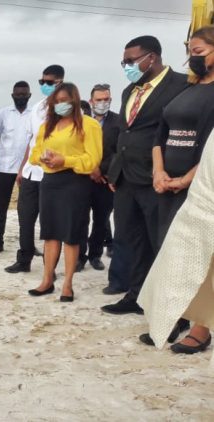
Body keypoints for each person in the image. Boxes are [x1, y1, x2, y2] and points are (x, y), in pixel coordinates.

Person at [138, 26, 214, 353]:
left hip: (200, 187)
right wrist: (159, 170)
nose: (192, 59)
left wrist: (185, 180)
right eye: (190, 53)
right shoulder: (187, 88)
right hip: (166, 183)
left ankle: (202, 326)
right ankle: (175, 316)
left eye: (198, 52)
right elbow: (160, 133)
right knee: (172, 254)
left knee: (202, 257)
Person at [102, 36, 188, 315]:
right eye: (124, 62)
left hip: (158, 177)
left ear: (152, 57)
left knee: (160, 240)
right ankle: (136, 295)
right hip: (126, 178)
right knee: (131, 238)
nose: (127, 66)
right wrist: (114, 172)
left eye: (131, 61)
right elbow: (125, 134)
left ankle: (167, 302)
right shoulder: (130, 91)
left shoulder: (181, 85)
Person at [26, 83, 102, 302]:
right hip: (50, 181)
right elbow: (35, 152)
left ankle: (67, 284)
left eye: (64, 101)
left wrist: (65, 160)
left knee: (70, 234)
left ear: (75, 100)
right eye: (56, 101)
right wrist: (42, 158)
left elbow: (92, 160)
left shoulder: (89, 125)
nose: (60, 105)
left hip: (75, 183)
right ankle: (47, 280)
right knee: (49, 233)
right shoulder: (48, 125)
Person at [5, 65, 65, 273]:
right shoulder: (38, 108)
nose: (45, 86)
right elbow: (31, 140)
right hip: (32, 171)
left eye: (50, 82)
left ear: (61, 82)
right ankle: (24, 259)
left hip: (54, 174)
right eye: (42, 82)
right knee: (25, 218)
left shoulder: (67, 108)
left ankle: (50, 268)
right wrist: (22, 168)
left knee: (51, 223)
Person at [76, 84, 121, 273]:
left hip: (105, 180)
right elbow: (76, 148)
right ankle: (80, 257)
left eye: (106, 99)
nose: (103, 103)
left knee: (101, 221)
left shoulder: (119, 121)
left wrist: (104, 172)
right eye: (99, 99)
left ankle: (95, 255)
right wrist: (90, 169)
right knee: (80, 220)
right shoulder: (80, 122)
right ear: (91, 101)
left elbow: (118, 151)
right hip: (83, 179)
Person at [0, 81, 32, 255]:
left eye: (24, 94)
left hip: (27, 169)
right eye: (18, 95)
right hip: (4, 167)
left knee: (27, 209)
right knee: (1, 207)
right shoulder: (2, 114)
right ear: (13, 95)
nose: (21, 97)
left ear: (29, 95)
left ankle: (27, 245)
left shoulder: (34, 115)